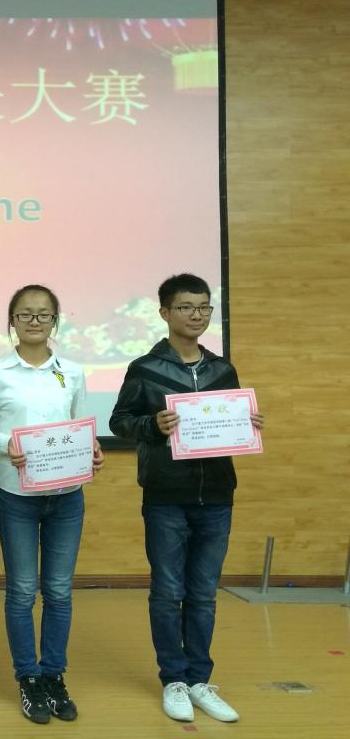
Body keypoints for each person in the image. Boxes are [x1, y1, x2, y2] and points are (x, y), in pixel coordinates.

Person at [109, 273, 264, 724]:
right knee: (167, 591)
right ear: (165, 313)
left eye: (204, 307)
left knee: (204, 593)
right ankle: (173, 679)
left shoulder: (222, 369)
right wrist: (151, 425)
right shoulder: (145, 368)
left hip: (216, 494)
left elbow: (228, 423)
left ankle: (199, 679)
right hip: (165, 495)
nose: (196, 315)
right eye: (186, 307)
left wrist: (246, 423)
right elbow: (120, 420)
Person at [0, 284, 104, 724]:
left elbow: (82, 425)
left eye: (43, 314)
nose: (34, 321)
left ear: (55, 321)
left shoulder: (73, 372)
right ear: (12, 321)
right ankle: (28, 677)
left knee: (60, 591)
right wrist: (7, 444)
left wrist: (92, 450)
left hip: (67, 497)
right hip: (18, 496)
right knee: (23, 591)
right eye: (25, 314)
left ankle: (53, 675)